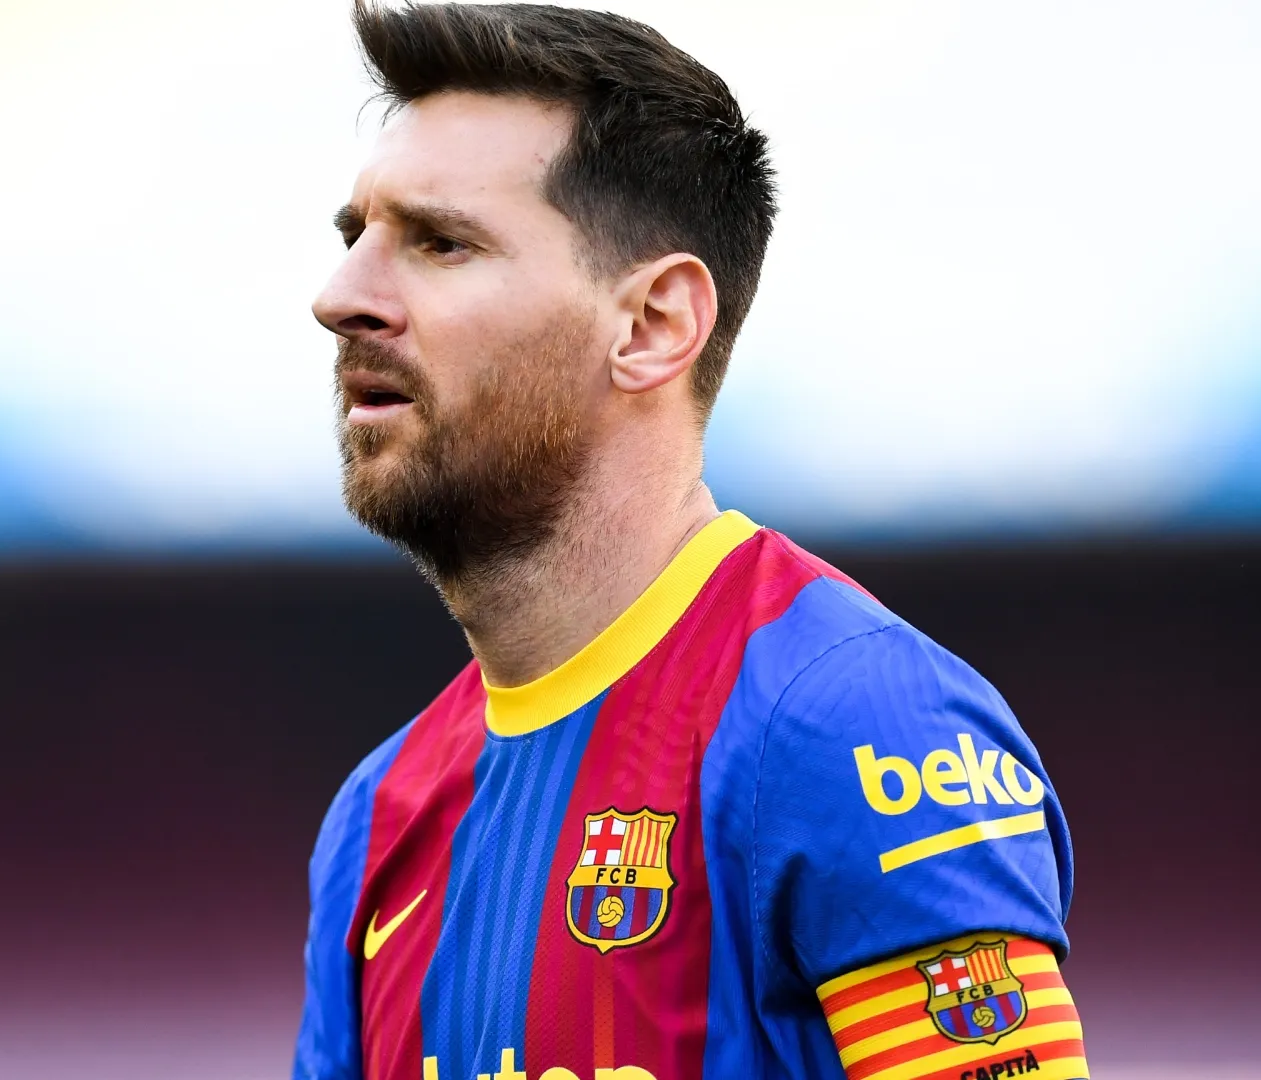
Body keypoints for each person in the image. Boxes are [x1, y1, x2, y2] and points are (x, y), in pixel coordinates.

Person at [295, 4, 1088, 1078]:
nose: (341, 298)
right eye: (358, 241)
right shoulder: (376, 821)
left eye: (440, 243)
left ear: (653, 325)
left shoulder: (854, 729)